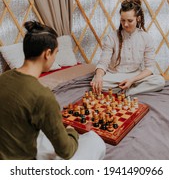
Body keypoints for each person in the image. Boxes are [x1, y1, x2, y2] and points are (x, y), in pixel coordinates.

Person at [0, 21, 105, 160]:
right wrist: (71, 132)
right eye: (56, 53)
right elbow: (66, 152)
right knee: (95, 141)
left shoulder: (3, 77)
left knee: (42, 135)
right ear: (47, 53)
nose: (55, 57)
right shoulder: (42, 96)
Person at [91, 0, 165, 96]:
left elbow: (150, 68)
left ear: (138, 19)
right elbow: (103, 63)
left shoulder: (146, 38)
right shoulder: (112, 37)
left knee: (159, 81)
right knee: (96, 82)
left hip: (135, 76)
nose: (125, 24)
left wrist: (132, 80)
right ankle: (129, 89)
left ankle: (127, 91)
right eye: (122, 20)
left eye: (130, 21)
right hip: (114, 76)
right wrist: (99, 77)